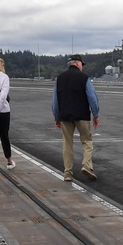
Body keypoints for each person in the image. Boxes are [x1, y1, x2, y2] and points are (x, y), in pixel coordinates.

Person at [52, 54, 100, 182]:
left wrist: (57, 116)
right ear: (78, 64)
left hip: (65, 116)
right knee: (87, 141)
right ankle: (86, 165)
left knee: (67, 144)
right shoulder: (84, 78)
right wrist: (95, 115)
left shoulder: (60, 78)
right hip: (82, 115)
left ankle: (68, 172)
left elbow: (55, 101)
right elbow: (92, 98)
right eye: (81, 65)